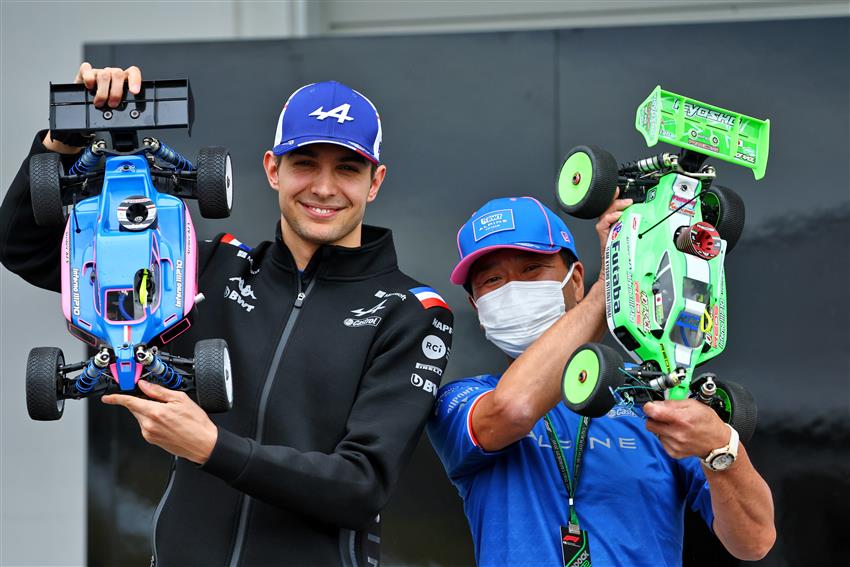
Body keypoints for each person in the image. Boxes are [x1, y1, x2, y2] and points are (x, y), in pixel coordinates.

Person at [0, 63, 454, 566]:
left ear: (375, 182)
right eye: (305, 163)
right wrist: (64, 145)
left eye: (347, 168)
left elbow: (361, 484)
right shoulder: (210, 267)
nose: (324, 188)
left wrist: (212, 447)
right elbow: (28, 249)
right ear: (272, 169)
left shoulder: (410, 312)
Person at [427, 195, 775, 566]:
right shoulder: (463, 400)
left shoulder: (653, 396)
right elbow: (513, 409)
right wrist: (612, 283)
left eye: (532, 269)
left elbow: (754, 541)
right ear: (476, 307)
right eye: (493, 280)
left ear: (575, 280)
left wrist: (721, 448)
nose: (514, 288)